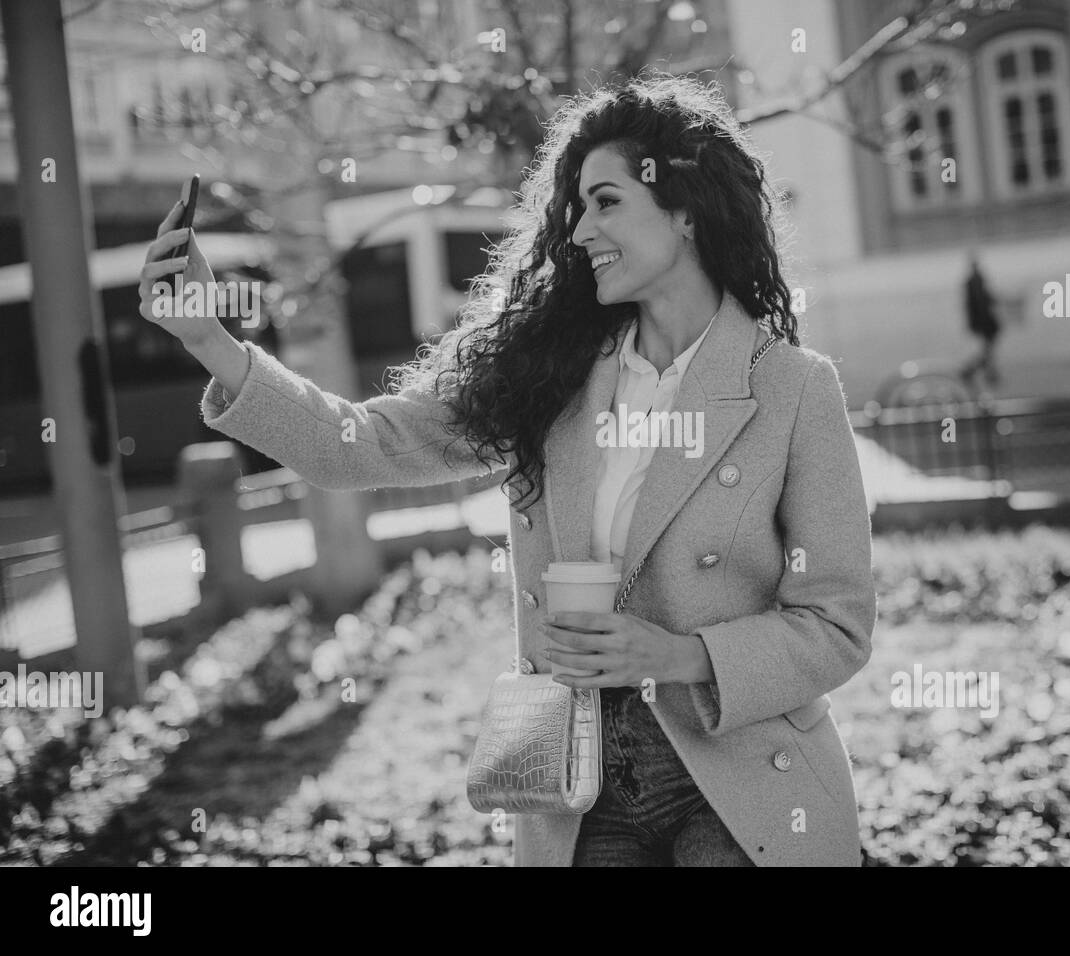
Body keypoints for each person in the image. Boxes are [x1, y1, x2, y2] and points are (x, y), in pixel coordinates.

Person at [137, 73, 876, 867]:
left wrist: (678, 655)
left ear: (687, 209)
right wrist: (210, 341)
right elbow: (354, 445)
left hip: (741, 777)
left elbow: (836, 625)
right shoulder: (547, 378)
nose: (582, 228)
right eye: (577, 207)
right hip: (576, 782)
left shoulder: (794, 388)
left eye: (608, 201)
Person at [959, 252, 1002, 389]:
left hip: (981, 320)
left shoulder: (971, 281)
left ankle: (981, 371)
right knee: (988, 348)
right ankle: (975, 370)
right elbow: (981, 301)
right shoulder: (975, 281)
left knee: (988, 348)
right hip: (984, 320)